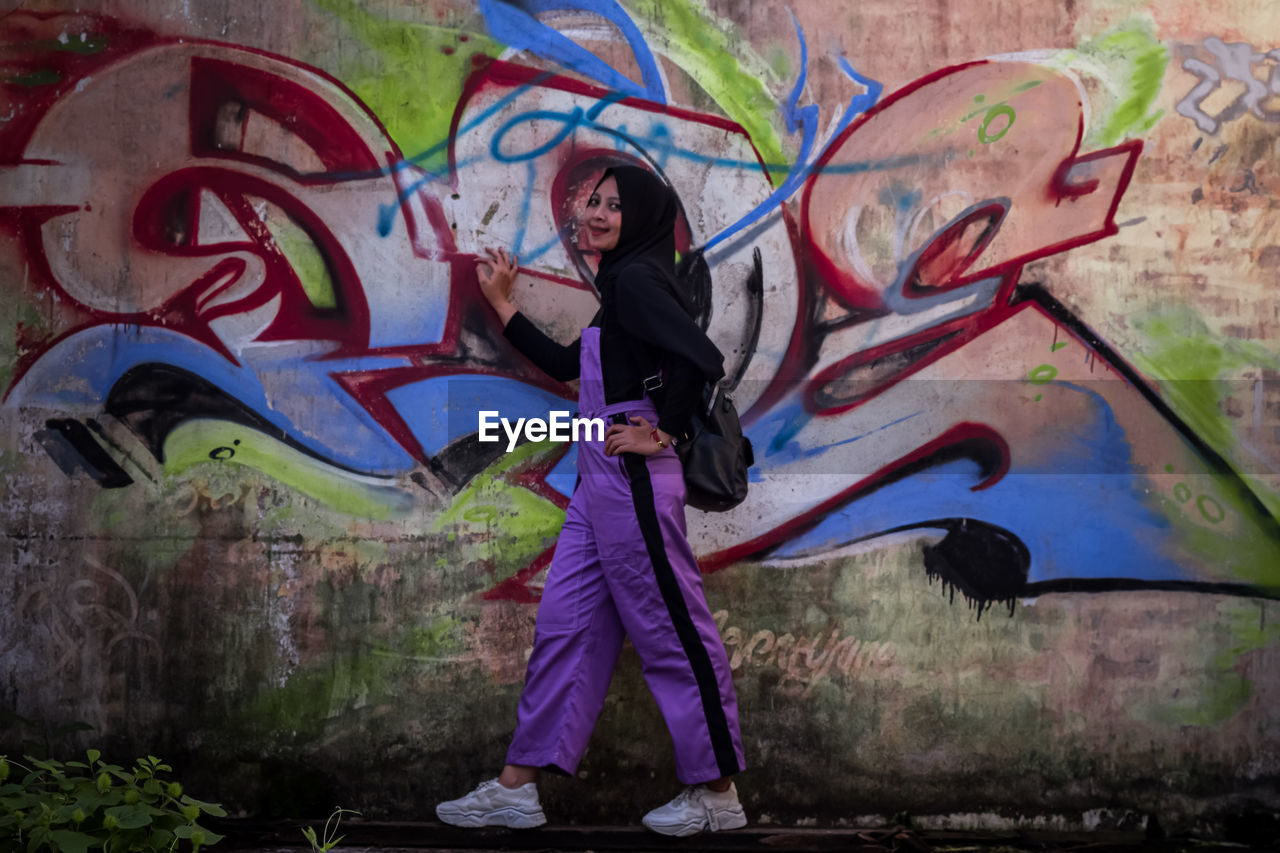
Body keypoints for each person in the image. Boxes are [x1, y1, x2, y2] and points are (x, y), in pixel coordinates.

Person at [435, 165, 747, 837]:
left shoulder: (635, 280)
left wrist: (661, 428)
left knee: (670, 629)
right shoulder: (622, 286)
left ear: (639, 218)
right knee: (567, 627)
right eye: (592, 201)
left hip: (632, 478)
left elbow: (700, 357)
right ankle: (516, 789)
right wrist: (503, 304)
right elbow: (572, 364)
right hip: (599, 482)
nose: (595, 212)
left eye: (613, 204)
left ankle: (717, 790)